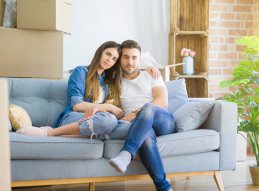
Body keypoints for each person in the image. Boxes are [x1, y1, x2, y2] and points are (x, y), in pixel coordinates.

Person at [17, 41, 158, 139]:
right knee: (108, 121)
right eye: (108, 54)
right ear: (100, 52)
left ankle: (83, 134)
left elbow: (130, 67)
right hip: (73, 117)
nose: (109, 60)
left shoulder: (108, 82)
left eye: (114, 58)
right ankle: (50, 133)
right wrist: (106, 107)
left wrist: (145, 68)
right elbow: (77, 105)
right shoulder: (81, 72)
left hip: (95, 119)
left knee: (126, 125)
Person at [109, 40, 178, 191]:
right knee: (146, 137)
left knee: (149, 107)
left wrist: (135, 114)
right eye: (125, 57)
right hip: (141, 126)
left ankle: (126, 153)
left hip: (163, 120)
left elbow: (161, 102)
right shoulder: (115, 83)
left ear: (140, 59)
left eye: (134, 58)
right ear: (119, 59)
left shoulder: (151, 75)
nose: (130, 62)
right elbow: (116, 113)